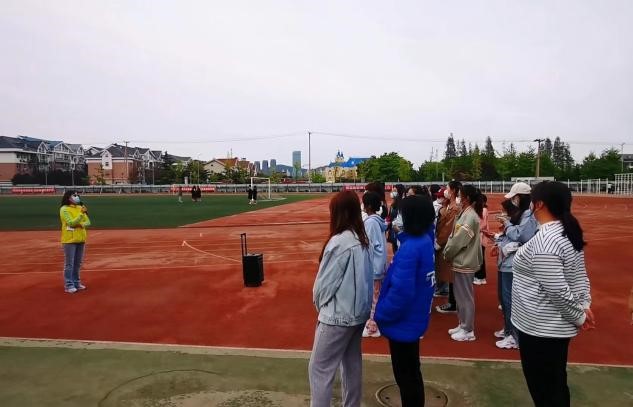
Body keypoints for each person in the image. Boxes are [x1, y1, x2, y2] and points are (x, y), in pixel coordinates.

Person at [512, 181, 594, 406]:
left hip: (541, 328)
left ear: (539, 204)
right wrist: (584, 304)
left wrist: (580, 316)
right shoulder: (565, 233)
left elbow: (557, 290)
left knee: (545, 390)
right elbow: (579, 275)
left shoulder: (546, 241)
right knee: (555, 384)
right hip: (549, 328)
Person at [309, 190, 373, 407]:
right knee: (351, 364)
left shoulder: (339, 242)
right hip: (358, 314)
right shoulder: (361, 238)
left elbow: (324, 285)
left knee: (320, 369)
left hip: (337, 316)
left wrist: (320, 305)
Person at [374, 195, 436, 407]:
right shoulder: (424, 241)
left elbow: (401, 292)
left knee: (405, 376)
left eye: (402, 214)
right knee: (412, 372)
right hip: (414, 319)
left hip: (403, 322)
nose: (398, 218)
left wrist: (381, 314)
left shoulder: (411, 248)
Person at [494, 182, 538, 350]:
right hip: (506, 261)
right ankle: (508, 330)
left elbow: (521, 235)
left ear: (519, 198)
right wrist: (499, 239)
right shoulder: (522, 213)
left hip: (513, 263)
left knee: (509, 300)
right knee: (504, 299)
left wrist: (506, 223)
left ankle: (514, 335)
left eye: (514, 198)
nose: (512, 201)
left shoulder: (528, 215)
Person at [443, 185, 483, 341]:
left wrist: (447, 252)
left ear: (466, 198)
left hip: (465, 262)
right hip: (460, 261)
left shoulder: (470, 217)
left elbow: (458, 240)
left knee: (465, 297)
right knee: (460, 296)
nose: (458, 198)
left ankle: (468, 329)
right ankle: (462, 323)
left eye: (460, 195)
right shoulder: (465, 213)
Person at [361, 191, 388, 338]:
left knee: (374, 296)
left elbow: (370, 246)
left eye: (364, 203)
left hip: (374, 266)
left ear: (369, 206)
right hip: (378, 264)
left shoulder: (371, 223)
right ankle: (374, 322)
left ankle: (373, 326)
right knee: (376, 295)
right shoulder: (377, 221)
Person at [435, 180, 462, 311]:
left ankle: (453, 303)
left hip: (448, 245)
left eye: (447, 187)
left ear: (453, 190)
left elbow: (448, 228)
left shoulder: (455, 207)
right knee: (450, 274)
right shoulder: (449, 205)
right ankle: (452, 301)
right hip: (446, 244)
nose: (445, 190)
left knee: (451, 274)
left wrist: (439, 242)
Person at [59, 190, 91, 293]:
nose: (77, 197)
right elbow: (71, 223)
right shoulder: (64, 209)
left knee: (77, 263)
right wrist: (81, 214)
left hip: (81, 238)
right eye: (74, 195)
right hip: (69, 240)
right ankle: (69, 285)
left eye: (77, 195)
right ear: (68, 197)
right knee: (69, 264)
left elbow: (88, 222)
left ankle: (76, 282)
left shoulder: (79, 207)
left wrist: (81, 224)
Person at [473, 194, 490, 285]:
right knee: (480, 258)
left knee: (478, 258)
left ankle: (479, 277)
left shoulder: (481, 211)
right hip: (482, 237)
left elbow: (480, 225)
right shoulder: (484, 210)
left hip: (479, 237)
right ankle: (482, 277)